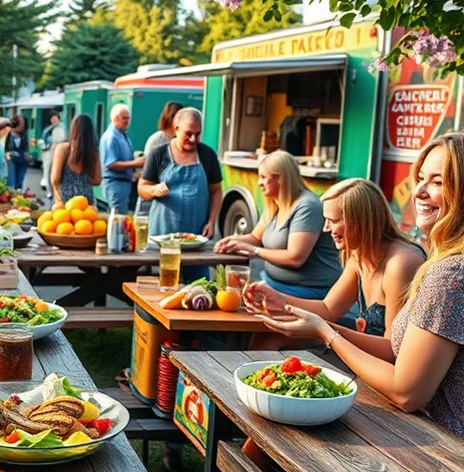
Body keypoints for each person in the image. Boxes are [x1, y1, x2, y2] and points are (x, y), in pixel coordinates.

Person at [245, 133, 464, 472]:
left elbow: (408, 393)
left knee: (270, 460)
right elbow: (398, 348)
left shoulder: (455, 273)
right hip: (436, 452)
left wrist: (325, 333)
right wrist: (305, 318)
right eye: (421, 178)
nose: (421, 192)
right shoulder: (461, 263)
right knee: (261, 447)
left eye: (439, 182)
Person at [244, 178, 425, 343]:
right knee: (266, 335)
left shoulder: (400, 264)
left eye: (333, 220)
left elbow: (392, 350)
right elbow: (328, 309)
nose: (325, 229)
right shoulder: (359, 254)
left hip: (385, 368)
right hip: (369, 358)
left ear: (361, 221)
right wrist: (279, 299)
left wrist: (326, 332)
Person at [214, 150, 341, 299]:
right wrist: (231, 241)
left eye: (263, 177)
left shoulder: (307, 207)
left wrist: (254, 250)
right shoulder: (275, 203)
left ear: (280, 179)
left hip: (306, 291)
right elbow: (255, 237)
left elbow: (295, 258)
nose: (259, 183)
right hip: (272, 283)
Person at [138, 107, 222, 239]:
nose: (193, 139)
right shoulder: (159, 154)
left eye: (198, 134)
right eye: (188, 134)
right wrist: (154, 189)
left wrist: (211, 222)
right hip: (162, 233)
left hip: (197, 234)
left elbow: (216, 191)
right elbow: (142, 188)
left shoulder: (207, 155)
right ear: (176, 129)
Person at [99, 103, 145, 213]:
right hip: (115, 184)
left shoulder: (122, 134)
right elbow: (110, 164)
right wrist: (135, 163)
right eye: (124, 118)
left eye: (128, 118)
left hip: (123, 184)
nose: (127, 121)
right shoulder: (111, 137)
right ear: (115, 118)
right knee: (118, 220)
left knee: (122, 218)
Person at [50, 113, 101, 203]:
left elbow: (55, 179)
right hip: (85, 201)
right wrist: (83, 179)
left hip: (65, 201)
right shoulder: (93, 153)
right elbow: (97, 180)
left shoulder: (63, 148)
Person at [40, 111, 66, 201]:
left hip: (59, 153)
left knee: (58, 172)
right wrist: (43, 146)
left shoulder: (63, 128)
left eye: (55, 119)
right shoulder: (48, 130)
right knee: (47, 172)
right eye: (52, 119)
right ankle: (49, 191)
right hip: (49, 153)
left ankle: (58, 191)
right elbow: (42, 141)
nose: (54, 120)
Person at [5, 115, 30, 190]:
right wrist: (6, 154)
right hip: (11, 159)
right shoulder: (8, 134)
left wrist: (28, 156)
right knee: (11, 182)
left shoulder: (24, 135)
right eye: (20, 123)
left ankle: (18, 196)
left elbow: (25, 148)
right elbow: (5, 147)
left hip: (22, 160)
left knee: (19, 183)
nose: (22, 126)